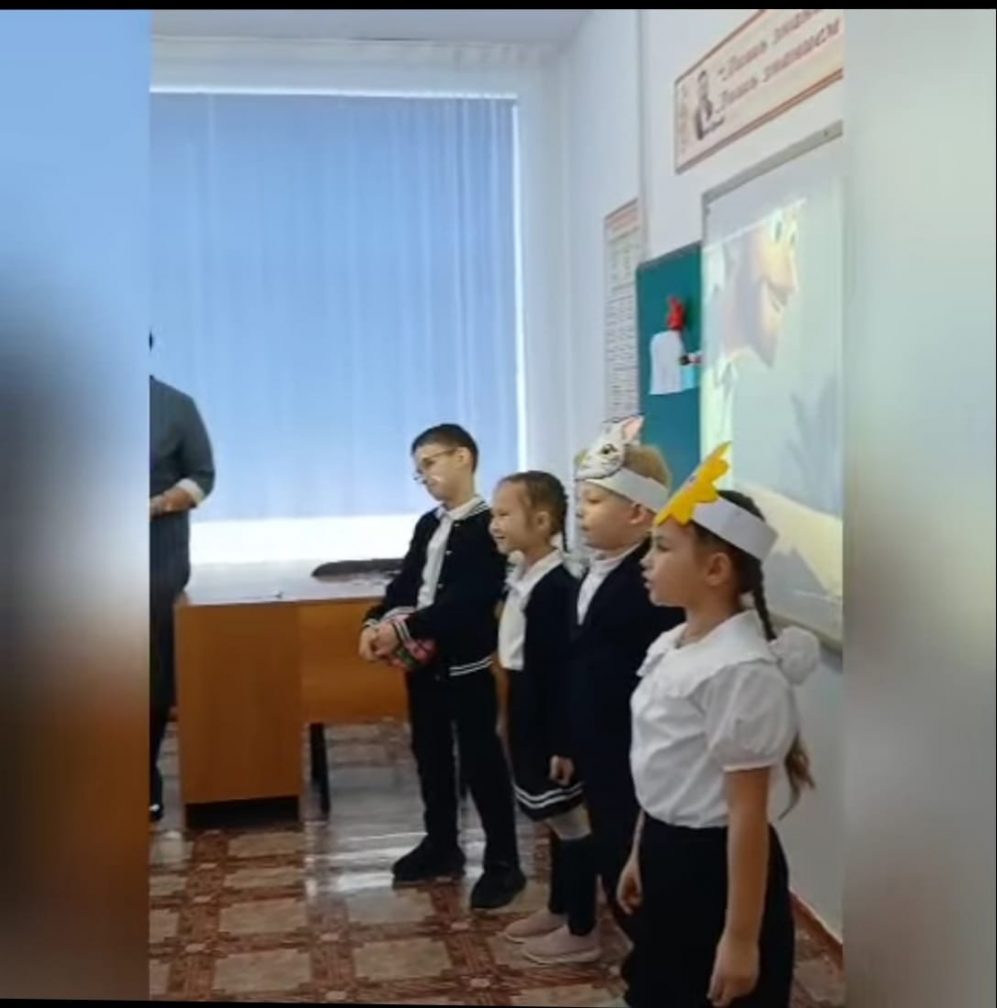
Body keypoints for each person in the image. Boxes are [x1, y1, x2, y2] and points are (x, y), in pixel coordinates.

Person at [617, 442, 818, 1008]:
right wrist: (641, 850)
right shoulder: (674, 644)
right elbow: (662, 766)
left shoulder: (739, 670)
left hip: (714, 869)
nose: (646, 561)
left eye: (661, 548)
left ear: (715, 569)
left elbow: (746, 814)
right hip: (668, 850)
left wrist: (740, 938)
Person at [359, 423, 524, 910]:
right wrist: (374, 621)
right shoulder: (427, 525)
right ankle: (441, 843)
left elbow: (470, 599)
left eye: (430, 463)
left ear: (463, 457)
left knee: (481, 761)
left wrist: (406, 629)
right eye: (418, 471)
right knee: (430, 755)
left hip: (466, 665)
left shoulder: (488, 526)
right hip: (424, 667)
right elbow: (406, 583)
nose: (425, 476)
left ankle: (503, 861)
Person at [548, 416, 683, 956]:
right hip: (597, 747)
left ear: (638, 513)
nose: (580, 512)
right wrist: (568, 741)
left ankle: (656, 962)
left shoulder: (653, 582)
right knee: (610, 852)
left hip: (636, 751)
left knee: (638, 861)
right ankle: (642, 960)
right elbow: (577, 665)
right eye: (580, 501)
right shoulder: (591, 571)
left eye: (594, 501)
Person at [489, 471, 600, 964]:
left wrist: (564, 742)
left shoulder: (557, 587)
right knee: (555, 820)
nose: (495, 524)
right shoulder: (522, 575)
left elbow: (562, 673)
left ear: (541, 521)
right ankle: (559, 907)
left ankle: (583, 926)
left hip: (548, 711)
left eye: (504, 514)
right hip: (525, 700)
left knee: (572, 821)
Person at [149, 334, 215, 822]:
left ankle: (142, 772)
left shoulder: (174, 406)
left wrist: (155, 504)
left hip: (154, 556)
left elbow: (201, 477)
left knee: (147, 670)